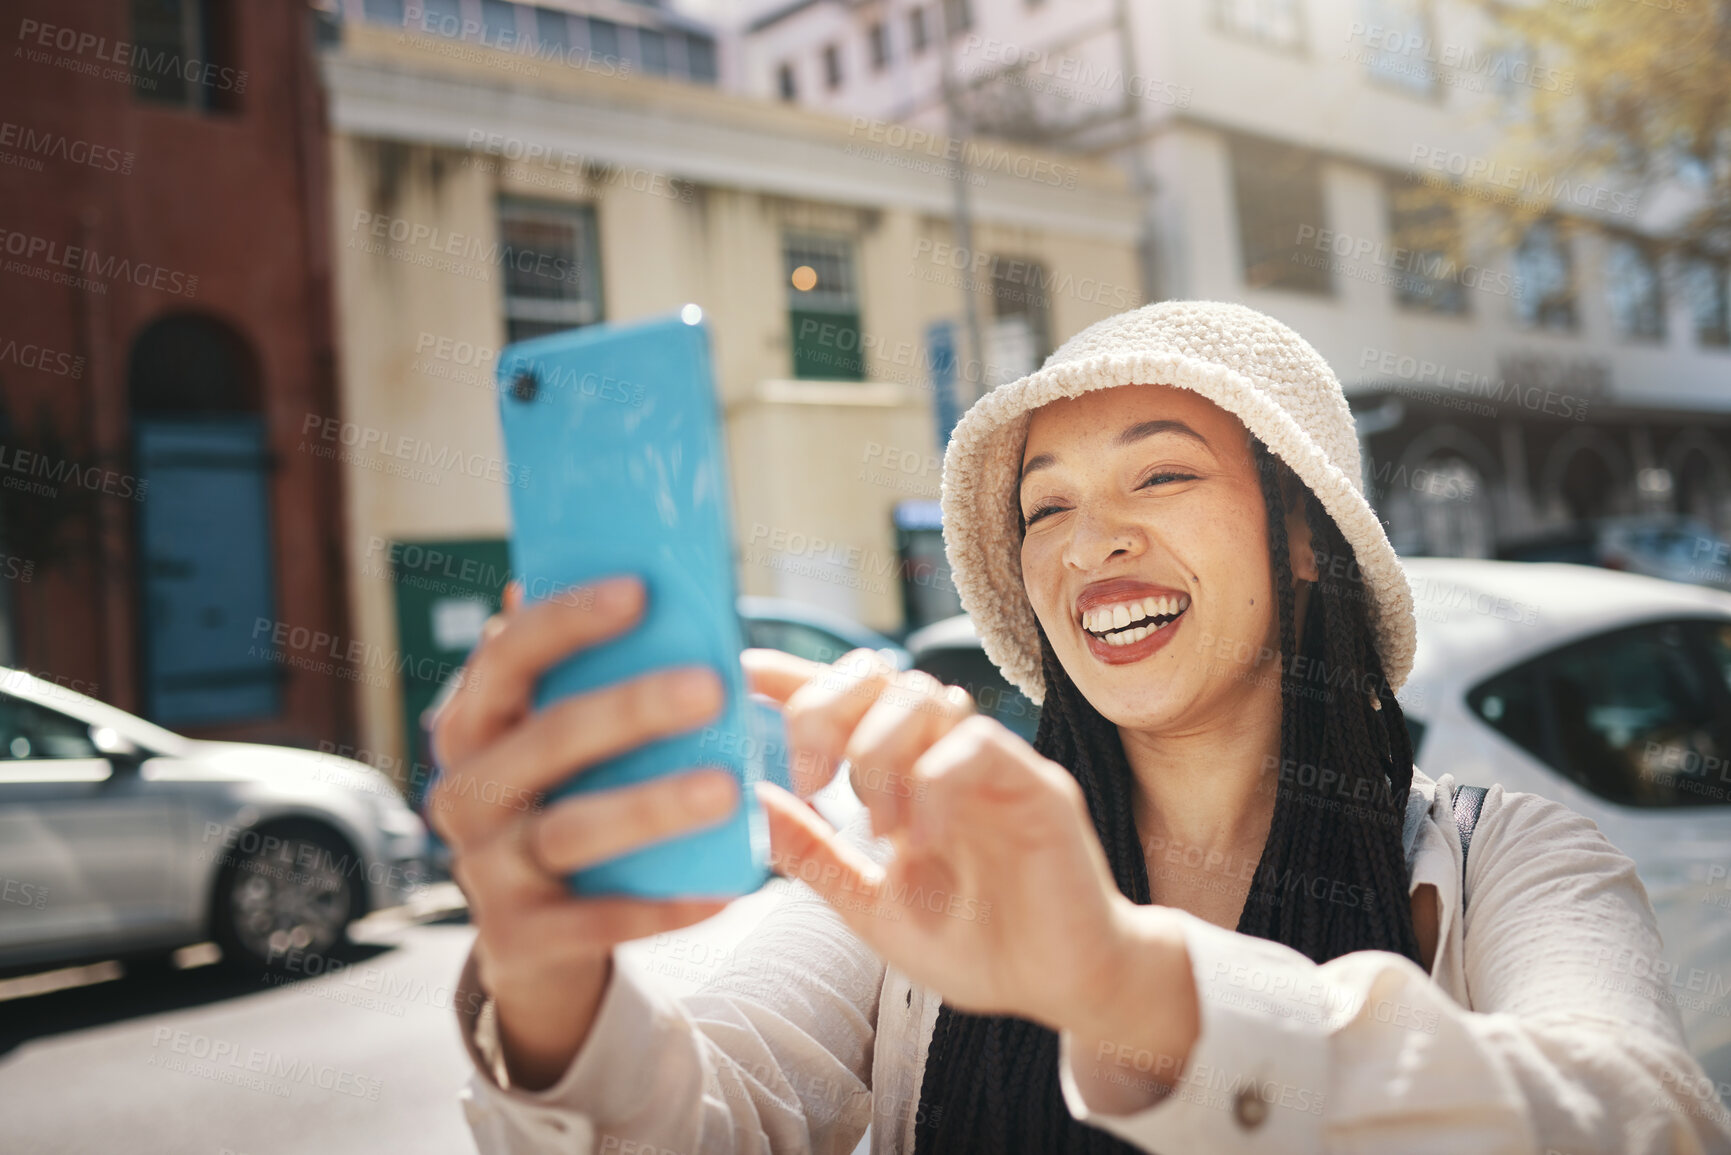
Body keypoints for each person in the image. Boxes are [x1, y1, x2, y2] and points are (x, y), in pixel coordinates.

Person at [428, 301, 1731, 1153]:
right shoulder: (925, 866)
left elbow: (1642, 1124)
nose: (1092, 543)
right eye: (1043, 509)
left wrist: (1123, 983)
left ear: (1306, 543)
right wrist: (549, 992)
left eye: (1161, 474)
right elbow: (708, 1114)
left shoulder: (1507, 863)